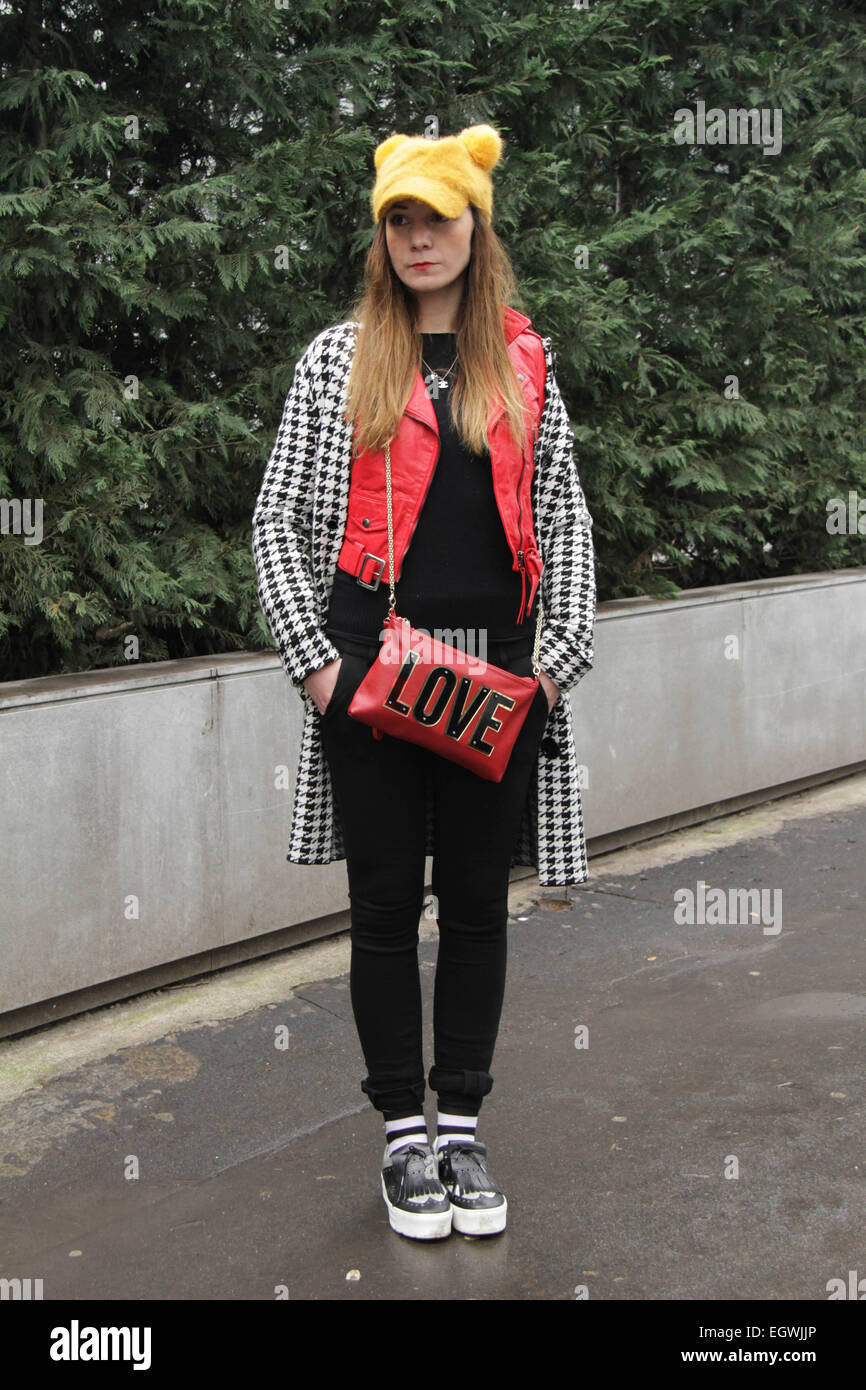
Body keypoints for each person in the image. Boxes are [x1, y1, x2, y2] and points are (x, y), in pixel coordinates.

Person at [251, 124, 596, 1241]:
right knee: (385, 909)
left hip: (492, 680)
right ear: (381, 234)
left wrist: (545, 675)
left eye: (435, 218)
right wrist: (315, 669)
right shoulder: (336, 359)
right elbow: (276, 525)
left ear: (473, 228)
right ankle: (404, 1139)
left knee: (480, 912)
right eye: (398, 219)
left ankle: (462, 1126)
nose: (416, 238)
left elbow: (567, 527)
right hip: (370, 680)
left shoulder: (524, 362)